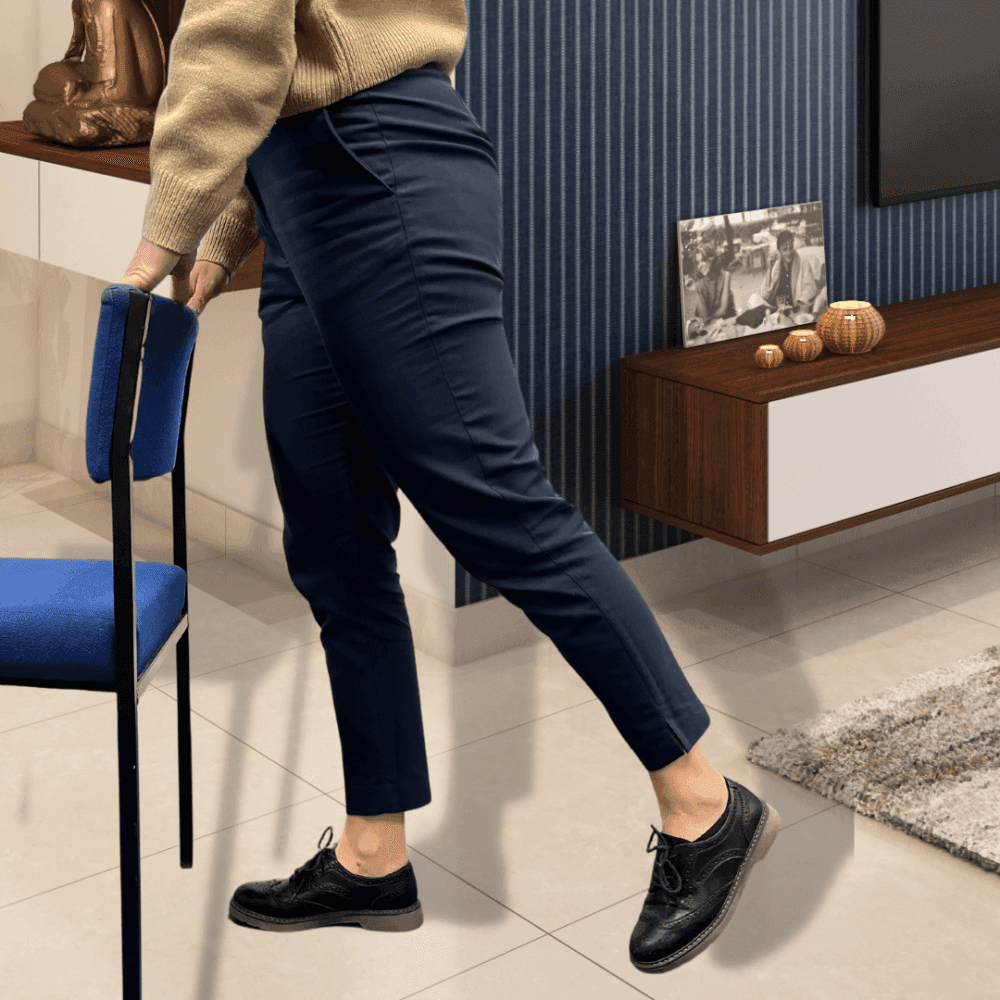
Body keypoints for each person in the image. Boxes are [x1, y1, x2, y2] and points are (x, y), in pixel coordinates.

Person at [120, 0, 780, 975]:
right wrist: (222, 231)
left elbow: (238, 26)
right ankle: (371, 854)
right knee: (334, 541)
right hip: (302, 190)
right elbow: (283, 55)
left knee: (498, 505)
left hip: (373, 165)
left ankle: (703, 804)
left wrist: (163, 226)